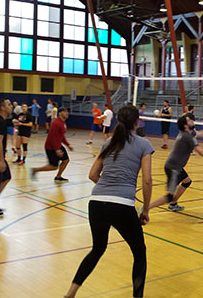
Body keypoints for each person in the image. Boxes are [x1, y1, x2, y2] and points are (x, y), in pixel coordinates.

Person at [64, 105, 153, 298]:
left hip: (96, 202)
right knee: (139, 252)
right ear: (137, 122)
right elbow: (147, 180)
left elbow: (93, 174)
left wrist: (106, 188)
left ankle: (70, 294)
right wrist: (145, 210)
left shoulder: (109, 142)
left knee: (97, 249)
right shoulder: (144, 144)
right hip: (121, 205)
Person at [148, 114, 203, 212]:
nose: (192, 121)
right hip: (173, 168)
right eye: (189, 121)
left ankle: (173, 204)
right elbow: (201, 152)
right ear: (186, 126)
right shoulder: (187, 137)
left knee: (187, 181)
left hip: (177, 166)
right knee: (169, 196)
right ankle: (146, 208)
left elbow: (202, 133)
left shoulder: (188, 133)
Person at [31, 107, 73, 182]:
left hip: (58, 145)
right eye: (64, 111)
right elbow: (52, 137)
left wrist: (68, 145)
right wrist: (57, 149)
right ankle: (35, 170)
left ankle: (58, 177)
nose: (67, 113)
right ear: (59, 113)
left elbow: (61, 135)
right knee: (53, 167)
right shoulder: (56, 123)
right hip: (51, 147)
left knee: (66, 160)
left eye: (67, 111)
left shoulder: (62, 123)